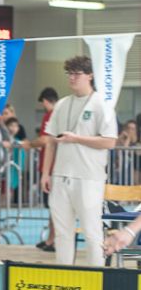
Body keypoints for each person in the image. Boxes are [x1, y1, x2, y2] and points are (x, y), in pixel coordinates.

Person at [41, 56, 117, 267]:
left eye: (77, 74)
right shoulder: (62, 104)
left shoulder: (102, 103)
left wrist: (77, 139)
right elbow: (50, 142)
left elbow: (110, 141)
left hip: (88, 178)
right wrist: (46, 173)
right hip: (60, 176)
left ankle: (97, 277)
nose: (72, 78)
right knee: (62, 233)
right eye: (69, 74)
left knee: (92, 233)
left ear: (90, 75)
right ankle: (65, 276)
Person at [32, 87, 58, 251]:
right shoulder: (60, 114)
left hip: (52, 169)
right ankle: (50, 239)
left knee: (54, 206)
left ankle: (53, 240)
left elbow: (45, 140)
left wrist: (29, 144)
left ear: (46, 101)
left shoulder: (51, 115)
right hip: (52, 168)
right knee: (52, 206)